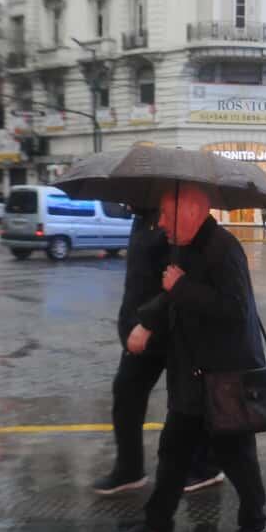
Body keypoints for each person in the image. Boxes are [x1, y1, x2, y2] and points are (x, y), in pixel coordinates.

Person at [108, 184, 266, 532]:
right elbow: (169, 297)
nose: (160, 222)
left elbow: (234, 310)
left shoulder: (224, 249)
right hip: (192, 374)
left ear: (192, 212)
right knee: (174, 452)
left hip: (224, 377)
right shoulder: (186, 246)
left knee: (237, 457)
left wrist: (181, 286)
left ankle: (255, 526)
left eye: (166, 215)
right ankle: (156, 528)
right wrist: (147, 322)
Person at [93, 208, 222, 496]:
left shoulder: (174, 218)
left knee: (187, 403)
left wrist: (149, 323)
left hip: (171, 329)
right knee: (126, 392)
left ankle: (206, 466)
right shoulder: (142, 217)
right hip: (140, 327)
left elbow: (179, 279)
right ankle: (129, 468)